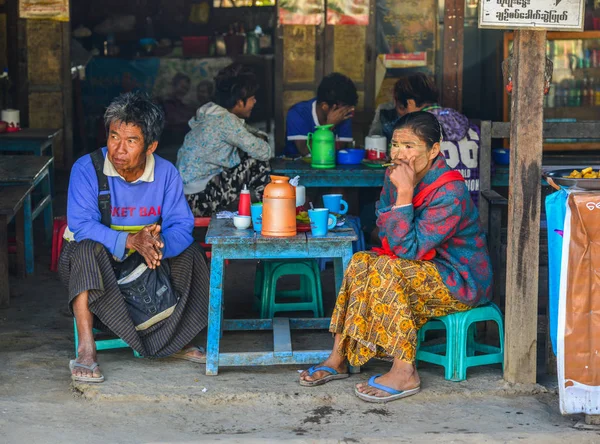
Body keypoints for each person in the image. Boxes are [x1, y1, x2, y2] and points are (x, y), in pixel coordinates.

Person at [299, 111, 492, 403]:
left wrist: (405, 192)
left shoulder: (450, 191)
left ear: (434, 150)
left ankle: (405, 371)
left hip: (458, 278)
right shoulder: (395, 175)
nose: (399, 153)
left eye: (409, 146)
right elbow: (383, 227)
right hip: (420, 267)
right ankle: (338, 357)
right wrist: (400, 190)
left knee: (387, 269)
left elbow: (405, 250)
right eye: (395, 145)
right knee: (361, 261)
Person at [60, 91, 210, 383]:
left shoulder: (165, 174)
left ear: (150, 146)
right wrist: (130, 241)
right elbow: (81, 224)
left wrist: (157, 245)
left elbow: (181, 224)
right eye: (114, 136)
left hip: (143, 262)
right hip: (95, 265)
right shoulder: (86, 168)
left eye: (131, 141)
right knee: (86, 250)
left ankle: (174, 340)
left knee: (191, 253)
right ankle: (87, 348)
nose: (119, 149)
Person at [368, 73, 481, 206]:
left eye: (399, 107)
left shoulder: (416, 130)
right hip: (473, 206)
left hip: (434, 205)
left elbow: (397, 163)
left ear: (410, 103)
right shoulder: (470, 126)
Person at [177, 63, 272, 217]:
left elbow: (248, 132)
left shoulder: (211, 112)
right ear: (240, 101)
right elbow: (264, 151)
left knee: (247, 154)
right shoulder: (225, 121)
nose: (255, 102)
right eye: (252, 98)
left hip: (187, 198)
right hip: (200, 200)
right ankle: (269, 214)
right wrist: (259, 137)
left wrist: (254, 134)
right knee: (257, 161)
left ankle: (260, 211)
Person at [285, 72, 358, 158]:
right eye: (343, 108)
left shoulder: (344, 114)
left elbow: (339, 152)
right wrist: (328, 127)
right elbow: (305, 152)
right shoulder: (298, 113)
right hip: (297, 167)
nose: (347, 111)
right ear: (325, 106)